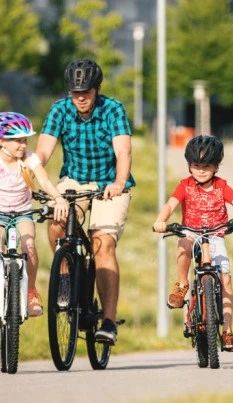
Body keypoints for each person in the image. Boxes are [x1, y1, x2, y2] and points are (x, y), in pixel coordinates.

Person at [35, 59, 134, 345]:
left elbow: (123, 152)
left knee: (102, 242)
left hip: (108, 184)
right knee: (57, 222)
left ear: (96, 89)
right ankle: (65, 278)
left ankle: (109, 321)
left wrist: (118, 182)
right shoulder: (59, 110)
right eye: (75, 92)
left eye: (86, 92)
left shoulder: (112, 109)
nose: (80, 97)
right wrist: (36, 166)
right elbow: (43, 151)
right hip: (74, 181)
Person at [153, 135, 233, 350]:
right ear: (189, 166)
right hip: (191, 232)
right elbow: (170, 205)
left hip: (216, 235)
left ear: (216, 167)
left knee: (226, 280)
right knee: (184, 244)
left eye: (206, 166)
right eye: (196, 165)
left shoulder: (222, 186)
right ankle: (182, 284)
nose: (200, 170)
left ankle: (227, 331)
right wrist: (161, 220)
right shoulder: (185, 185)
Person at [0, 112, 68, 316]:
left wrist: (58, 198)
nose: (23, 145)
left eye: (24, 140)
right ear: (2, 141)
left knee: (29, 246)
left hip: (22, 213)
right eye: (17, 141)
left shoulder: (29, 159)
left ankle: (30, 292)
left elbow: (45, 182)